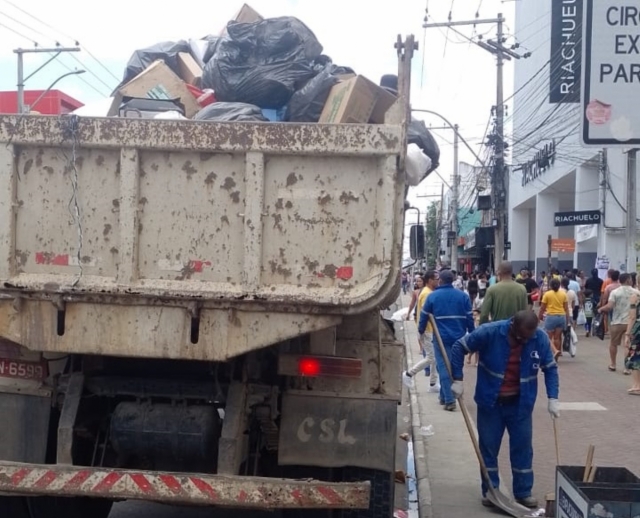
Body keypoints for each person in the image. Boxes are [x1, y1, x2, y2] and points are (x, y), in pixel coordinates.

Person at [450, 310, 560, 509]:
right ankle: (491, 491)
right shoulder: (489, 332)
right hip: (491, 403)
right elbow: (459, 347)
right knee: (489, 448)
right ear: (512, 327)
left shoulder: (539, 338)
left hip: (520, 404)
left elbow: (550, 368)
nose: (523, 342)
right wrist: (457, 379)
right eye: (520, 338)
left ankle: (523, 492)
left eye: (528, 338)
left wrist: (553, 397)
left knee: (523, 448)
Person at [418, 269, 475, 411]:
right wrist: (473, 334)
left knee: (443, 367)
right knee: (456, 367)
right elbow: (469, 317)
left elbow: (424, 316)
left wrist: (420, 331)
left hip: (440, 337)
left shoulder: (433, 296)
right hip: (460, 338)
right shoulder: (463, 296)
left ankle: (450, 400)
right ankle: (444, 396)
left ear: (441, 281)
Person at [404, 270, 440, 390]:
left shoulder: (428, 292)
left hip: (428, 330)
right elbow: (426, 314)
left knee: (434, 358)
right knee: (431, 358)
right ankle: (409, 374)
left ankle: (433, 383)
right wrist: (423, 330)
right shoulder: (427, 294)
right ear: (430, 280)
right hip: (427, 330)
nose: (438, 281)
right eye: (436, 279)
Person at [598, 273, 640, 373]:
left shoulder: (615, 292)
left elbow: (610, 306)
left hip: (616, 321)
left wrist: (601, 309)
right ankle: (626, 367)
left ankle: (613, 364)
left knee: (613, 344)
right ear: (628, 280)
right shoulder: (637, 292)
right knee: (628, 345)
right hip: (631, 322)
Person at [538, 278, 570, 360]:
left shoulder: (547, 294)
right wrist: (568, 320)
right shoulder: (563, 294)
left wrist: (539, 317)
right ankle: (556, 355)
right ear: (559, 285)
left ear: (550, 286)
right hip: (561, 317)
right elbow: (566, 308)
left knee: (548, 337)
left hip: (551, 317)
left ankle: (551, 353)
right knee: (557, 337)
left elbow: (542, 308)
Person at [624, 293, 640, 394]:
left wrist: (627, 333)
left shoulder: (636, 299)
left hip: (638, 330)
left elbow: (632, 317)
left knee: (635, 357)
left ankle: (637, 385)